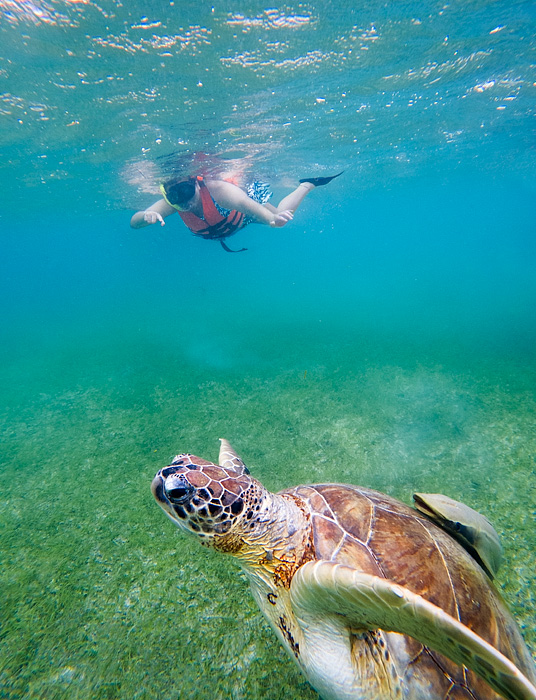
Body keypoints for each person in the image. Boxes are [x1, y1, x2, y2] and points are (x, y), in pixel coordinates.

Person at [130, 172, 343, 252]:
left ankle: (306, 185)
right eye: (175, 197)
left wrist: (272, 219)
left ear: (196, 183)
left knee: (280, 218)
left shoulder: (218, 190)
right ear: (167, 196)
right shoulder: (171, 204)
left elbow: (247, 205)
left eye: (187, 191)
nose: (184, 201)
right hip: (228, 225)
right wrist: (145, 217)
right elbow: (134, 223)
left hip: (244, 213)